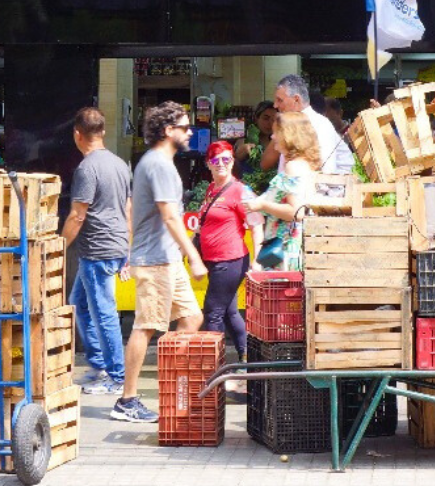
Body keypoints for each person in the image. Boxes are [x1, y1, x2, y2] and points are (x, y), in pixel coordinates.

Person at [113, 102, 207, 423]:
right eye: (185, 127)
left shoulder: (157, 163)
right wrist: (193, 256)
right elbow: (169, 216)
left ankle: (175, 387)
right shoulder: (159, 165)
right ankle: (127, 399)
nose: (190, 131)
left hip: (167, 259)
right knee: (146, 326)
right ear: (168, 131)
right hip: (155, 260)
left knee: (192, 318)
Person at [62, 107, 132, 397]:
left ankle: (116, 377)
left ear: (78, 135)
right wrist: (127, 246)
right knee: (78, 300)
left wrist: (57, 246)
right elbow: (129, 209)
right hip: (114, 244)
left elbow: (78, 215)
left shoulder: (87, 168)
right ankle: (100, 364)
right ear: (102, 131)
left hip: (98, 249)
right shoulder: (119, 164)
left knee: (103, 312)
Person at [197, 141, 258, 359]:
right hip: (214, 260)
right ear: (208, 164)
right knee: (230, 311)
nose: (221, 164)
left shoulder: (240, 191)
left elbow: (256, 223)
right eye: (215, 160)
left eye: (226, 159)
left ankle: (213, 365)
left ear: (232, 162)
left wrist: (257, 260)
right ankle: (246, 355)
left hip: (230, 260)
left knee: (213, 312)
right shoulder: (211, 189)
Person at [245, 112, 320, 272]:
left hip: (285, 251)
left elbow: (296, 212)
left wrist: (262, 205)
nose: (272, 137)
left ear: (289, 135)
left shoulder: (294, 167)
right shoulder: (304, 164)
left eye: (277, 132)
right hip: (285, 248)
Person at [263, 74, 352, 174]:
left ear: (296, 99)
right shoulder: (289, 124)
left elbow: (326, 171)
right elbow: (265, 163)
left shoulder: (320, 125)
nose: (275, 105)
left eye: (280, 100)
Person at [238, 101, 277, 176]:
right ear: (256, 119)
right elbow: (238, 155)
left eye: (273, 120)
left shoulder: (276, 144)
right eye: (266, 118)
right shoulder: (244, 140)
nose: (270, 123)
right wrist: (246, 149)